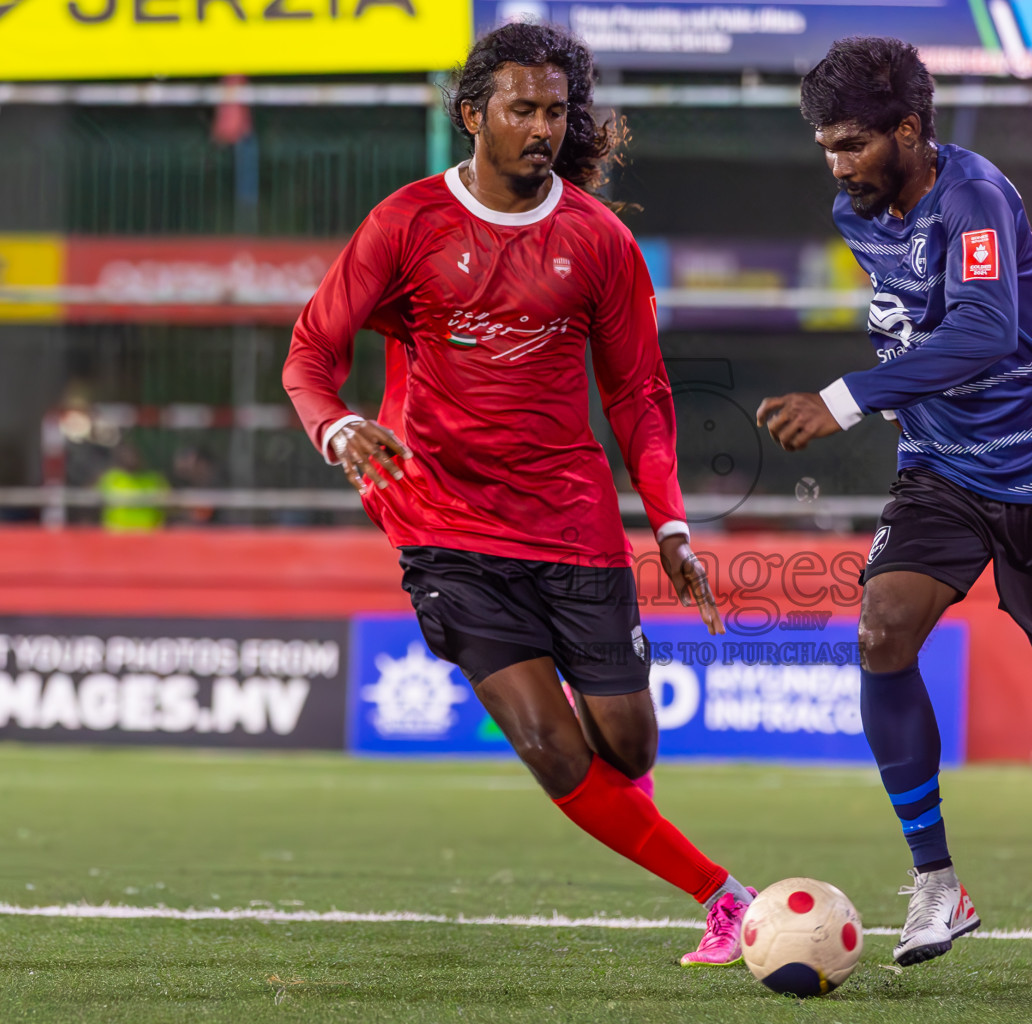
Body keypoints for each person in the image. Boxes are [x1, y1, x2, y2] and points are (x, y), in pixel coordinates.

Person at [283, 22, 755, 967]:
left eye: (556, 111)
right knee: (550, 743)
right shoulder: (406, 224)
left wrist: (668, 523)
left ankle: (639, 818)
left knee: (625, 745)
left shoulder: (600, 240)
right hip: (443, 522)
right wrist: (338, 427)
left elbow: (638, 393)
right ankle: (726, 898)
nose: (542, 127)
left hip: (572, 525)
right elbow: (309, 355)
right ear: (473, 115)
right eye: (522, 108)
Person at [756, 37, 1032, 967]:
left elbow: (985, 329)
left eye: (850, 144)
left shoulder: (976, 197)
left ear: (910, 131)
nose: (836, 166)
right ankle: (936, 885)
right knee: (881, 630)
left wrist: (845, 398)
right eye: (825, 146)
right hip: (944, 468)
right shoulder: (859, 207)